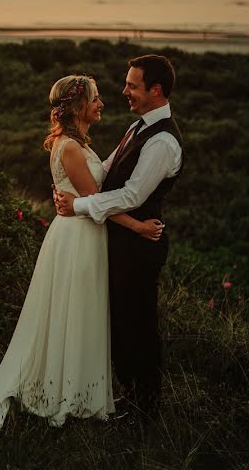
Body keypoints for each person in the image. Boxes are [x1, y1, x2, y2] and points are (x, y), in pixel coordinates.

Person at [0, 75, 164, 452]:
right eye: (95, 98)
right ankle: (69, 395)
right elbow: (94, 198)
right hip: (78, 237)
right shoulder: (70, 147)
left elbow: (92, 190)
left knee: (77, 311)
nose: (102, 103)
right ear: (77, 106)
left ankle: (76, 390)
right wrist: (137, 226)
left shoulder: (75, 144)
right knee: (75, 311)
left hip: (80, 231)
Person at [55, 54, 184, 418]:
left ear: (155, 89)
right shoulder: (138, 127)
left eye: (132, 85)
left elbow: (132, 196)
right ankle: (128, 396)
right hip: (120, 242)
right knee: (120, 324)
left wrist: (77, 206)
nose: (124, 90)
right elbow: (107, 169)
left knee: (138, 326)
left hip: (142, 246)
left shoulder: (162, 142)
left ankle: (146, 407)